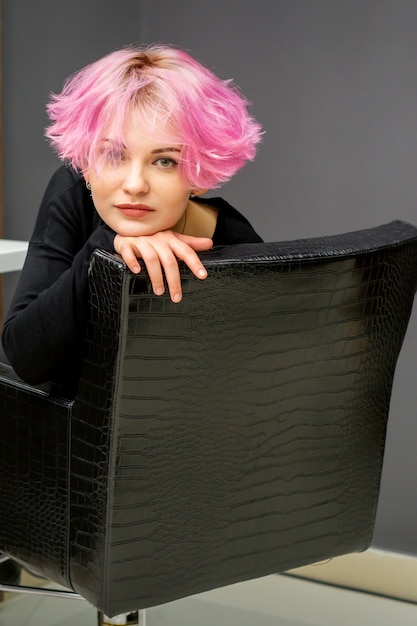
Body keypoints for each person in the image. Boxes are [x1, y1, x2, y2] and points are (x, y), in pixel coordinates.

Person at [1, 44, 263, 393]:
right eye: (113, 155)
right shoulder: (73, 195)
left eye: (165, 161)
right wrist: (106, 248)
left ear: (197, 174)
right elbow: (24, 355)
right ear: (87, 166)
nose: (135, 185)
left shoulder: (233, 241)